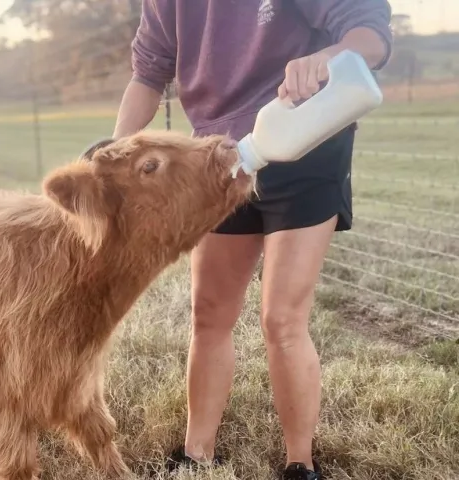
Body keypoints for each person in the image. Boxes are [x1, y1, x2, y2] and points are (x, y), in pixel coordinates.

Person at [110, 1, 393, 478]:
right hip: (220, 162)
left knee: (281, 319)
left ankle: (300, 465)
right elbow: (147, 74)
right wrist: (116, 161)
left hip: (306, 141)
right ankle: (196, 457)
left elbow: (371, 35)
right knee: (209, 315)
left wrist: (329, 57)